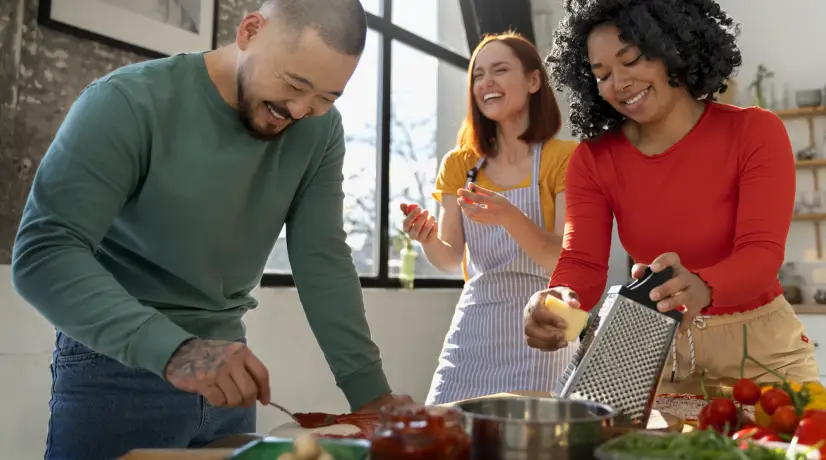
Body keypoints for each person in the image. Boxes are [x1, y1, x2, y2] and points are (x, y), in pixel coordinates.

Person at [11, 1, 412, 458]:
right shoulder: (125, 102)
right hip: (115, 370)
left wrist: (370, 394)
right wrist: (175, 350)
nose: (300, 110)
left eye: (326, 98)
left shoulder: (321, 133)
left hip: (229, 377)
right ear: (250, 31)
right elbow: (43, 253)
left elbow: (322, 259)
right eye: (294, 84)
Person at [524, 0, 820, 394]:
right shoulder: (591, 160)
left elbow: (761, 255)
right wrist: (559, 302)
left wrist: (703, 286)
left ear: (675, 49)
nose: (619, 82)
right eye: (602, 74)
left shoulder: (755, 132)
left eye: (632, 60)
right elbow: (582, 262)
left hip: (762, 354)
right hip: (657, 354)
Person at [400, 32, 578, 405]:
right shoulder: (460, 164)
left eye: (499, 70)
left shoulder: (564, 158)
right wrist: (429, 237)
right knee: (442, 429)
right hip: (475, 325)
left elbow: (561, 258)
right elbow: (451, 259)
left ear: (533, 81)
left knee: (529, 441)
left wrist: (508, 215)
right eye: (478, 75)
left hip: (542, 327)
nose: (486, 83)